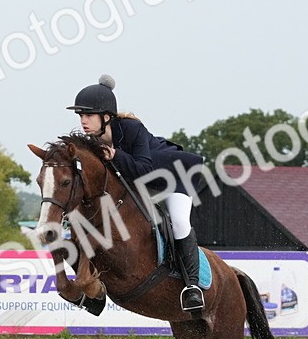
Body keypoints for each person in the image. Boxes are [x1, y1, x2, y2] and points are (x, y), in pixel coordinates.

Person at [67, 74, 208, 313]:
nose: (83, 120)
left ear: (106, 117)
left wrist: (116, 156)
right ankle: (94, 289)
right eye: (81, 115)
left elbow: (144, 169)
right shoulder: (92, 140)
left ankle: (192, 287)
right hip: (140, 182)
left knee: (179, 223)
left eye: (88, 115)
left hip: (175, 177)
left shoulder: (132, 129)